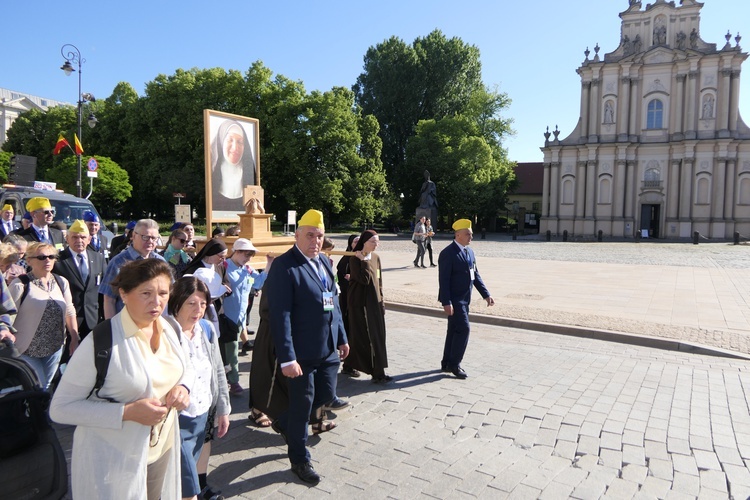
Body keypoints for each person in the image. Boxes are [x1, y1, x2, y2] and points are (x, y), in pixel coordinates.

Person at [49, 259, 193, 500]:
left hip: (162, 451)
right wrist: (126, 412)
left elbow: (183, 367)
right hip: (114, 458)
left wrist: (183, 387)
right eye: (146, 293)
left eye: (163, 293)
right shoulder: (101, 341)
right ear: (124, 294)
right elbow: (60, 409)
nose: (156, 302)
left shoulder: (170, 327)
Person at [265, 209, 349, 485]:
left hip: (327, 349)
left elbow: (332, 302)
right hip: (301, 353)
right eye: (310, 235)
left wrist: (342, 336)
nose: (315, 240)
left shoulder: (324, 262)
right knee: (303, 407)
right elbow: (280, 315)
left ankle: (284, 420)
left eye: (319, 235)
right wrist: (288, 357)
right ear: (297, 235)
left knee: (324, 395)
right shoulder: (285, 266)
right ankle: (299, 460)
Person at [167, 276, 230, 500]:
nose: (199, 310)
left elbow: (218, 369)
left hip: (202, 415)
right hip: (175, 421)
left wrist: (223, 409)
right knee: (187, 489)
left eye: (203, 304)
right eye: (191, 303)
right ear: (177, 302)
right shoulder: (164, 332)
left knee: (183, 478)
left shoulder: (205, 329)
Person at [9, 242, 78, 390]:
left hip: (55, 347)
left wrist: (74, 336)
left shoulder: (61, 282)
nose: (47, 260)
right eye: (41, 257)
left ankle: (41, 412)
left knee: (46, 385)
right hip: (26, 349)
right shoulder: (20, 284)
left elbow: (70, 311)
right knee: (38, 387)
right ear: (29, 261)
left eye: (51, 257)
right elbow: (6, 315)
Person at [437, 219, 494, 380]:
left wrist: (486, 294)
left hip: (465, 299)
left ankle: (447, 362)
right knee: (464, 329)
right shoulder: (448, 253)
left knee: (454, 330)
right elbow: (444, 280)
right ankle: (455, 364)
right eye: (468, 234)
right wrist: (446, 302)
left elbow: (475, 275)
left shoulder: (469, 252)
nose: (471, 237)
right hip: (454, 300)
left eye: (471, 234)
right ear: (458, 235)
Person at [346, 230, 391, 383]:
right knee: (363, 337)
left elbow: (378, 280)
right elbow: (365, 279)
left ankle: (379, 370)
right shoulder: (355, 258)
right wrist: (363, 260)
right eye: (373, 242)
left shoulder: (376, 257)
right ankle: (374, 371)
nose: (376, 245)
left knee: (378, 336)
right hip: (361, 304)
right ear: (364, 242)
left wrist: (382, 300)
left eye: (377, 242)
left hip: (375, 303)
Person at [220, 238, 263, 396]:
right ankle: (234, 380)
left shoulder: (248, 269)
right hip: (226, 316)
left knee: (230, 350)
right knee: (230, 350)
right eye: (246, 254)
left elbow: (257, 283)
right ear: (236, 252)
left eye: (251, 255)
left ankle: (227, 378)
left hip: (240, 317)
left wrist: (270, 265)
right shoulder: (223, 266)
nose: (249, 258)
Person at [100, 219, 166, 319]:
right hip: (125, 324)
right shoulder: (118, 262)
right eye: (145, 237)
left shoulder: (160, 262)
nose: (150, 241)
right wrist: (112, 328)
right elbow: (109, 299)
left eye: (154, 238)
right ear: (134, 236)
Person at [53, 220, 106, 341]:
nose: (79, 241)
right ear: (67, 238)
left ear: (89, 239)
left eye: (83, 237)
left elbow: (103, 289)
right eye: (75, 237)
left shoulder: (98, 258)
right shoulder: (58, 261)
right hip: (67, 322)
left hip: (93, 320)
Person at [210, 119, 257, 213]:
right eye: (230, 140)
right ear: (222, 141)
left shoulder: (249, 174)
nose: (235, 147)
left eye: (240, 142)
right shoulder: (212, 172)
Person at [336, 235, 360, 378]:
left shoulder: (363, 257)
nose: (357, 243)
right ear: (350, 244)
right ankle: (348, 365)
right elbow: (341, 280)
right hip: (348, 301)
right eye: (355, 241)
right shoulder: (346, 259)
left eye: (359, 241)